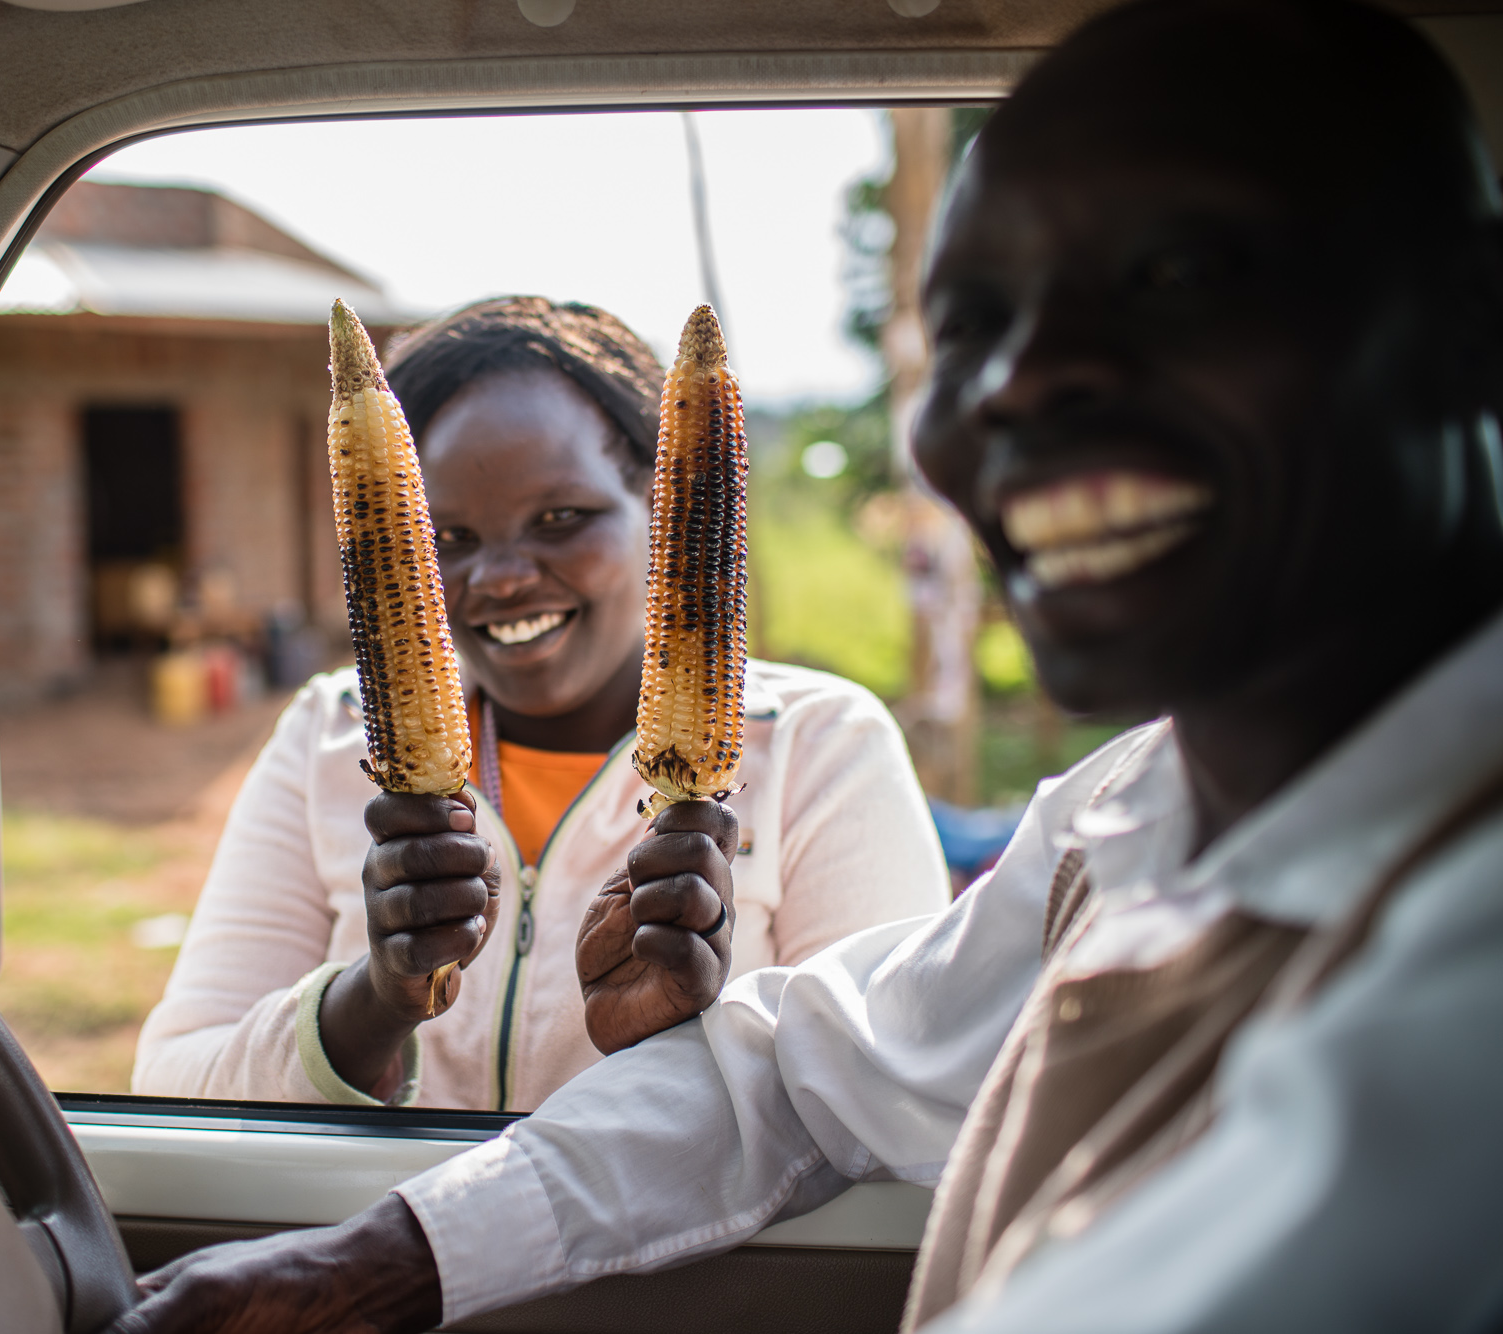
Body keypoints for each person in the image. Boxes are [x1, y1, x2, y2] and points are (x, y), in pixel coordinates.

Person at [109, 2, 1503, 1330]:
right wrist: (373, 1252)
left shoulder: (1452, 943)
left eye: (1177, 276)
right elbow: (796, 1073)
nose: (1020, 382)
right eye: (965, 330)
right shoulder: (1117, 821)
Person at [132, 297, 949, 1110]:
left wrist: (690, 1044)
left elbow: (902, 1101)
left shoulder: (821, 747)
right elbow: (175, 1082)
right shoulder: (327, 736)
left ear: (659, 508)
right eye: (446, 538)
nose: (501, 578)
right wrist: (372, 1003)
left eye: (561, 519)